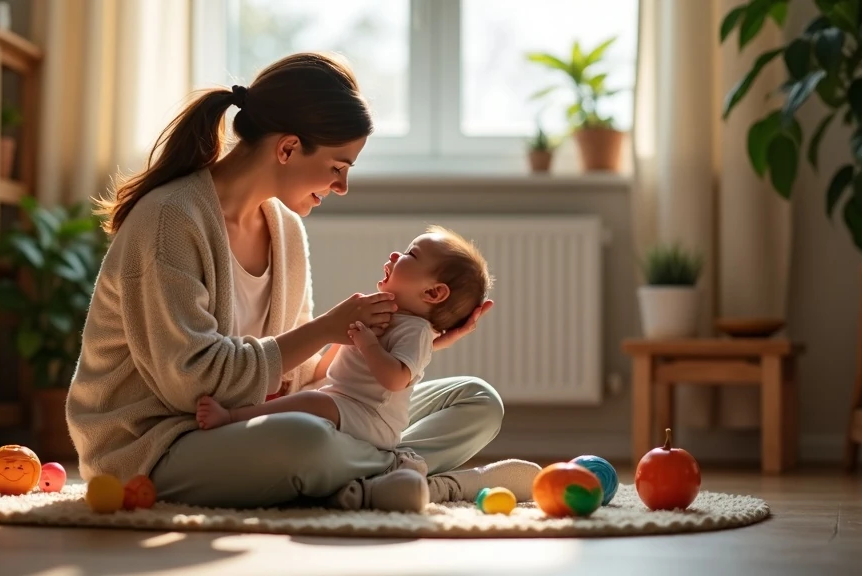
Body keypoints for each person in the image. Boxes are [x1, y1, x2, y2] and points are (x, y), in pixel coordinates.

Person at [66, 52, 541, 513]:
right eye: (338, 167)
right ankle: (426, 480)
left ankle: (375, 479)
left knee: (477, 399)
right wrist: (327, 329)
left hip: (256, 422)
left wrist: (411, 346)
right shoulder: (170, 220)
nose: (342, 187)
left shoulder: (285, 229)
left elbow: (302, 378)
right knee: (306, 442)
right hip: (160, 444)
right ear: (288, 148)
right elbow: (192, 388)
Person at [196, 226, 493, 456]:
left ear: (432, 293)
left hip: (372, 420)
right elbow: (332, 367)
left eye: (410, 255)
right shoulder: (391, 316)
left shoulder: (415, 329)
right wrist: (343, 335)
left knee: (314, 402)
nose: (394, 256)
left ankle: (233, 418)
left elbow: (395, 377)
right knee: (311, 399)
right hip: (345, 401)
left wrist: (367, 343)